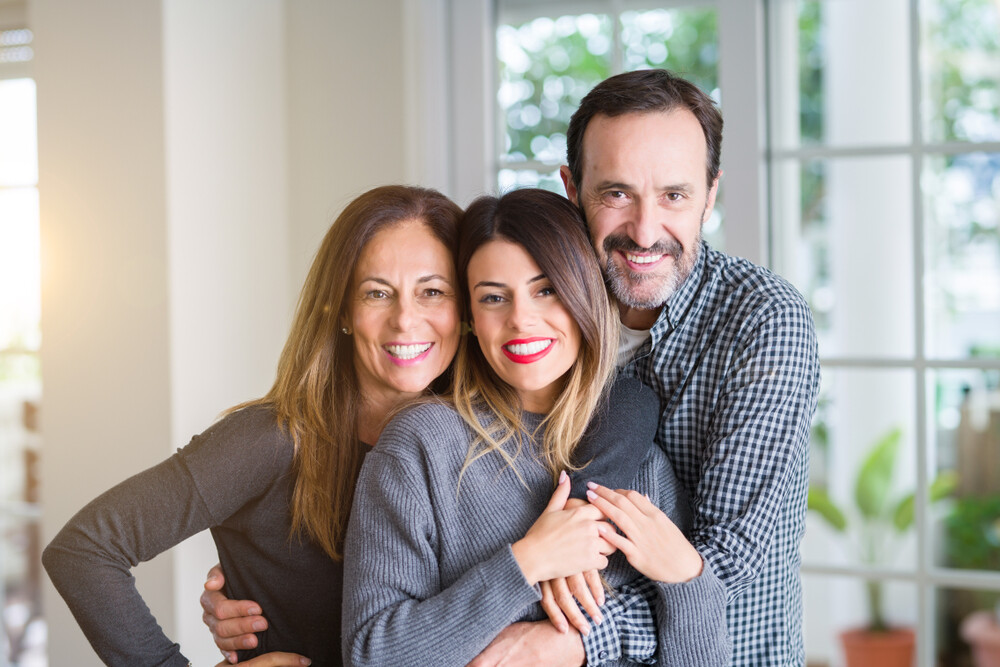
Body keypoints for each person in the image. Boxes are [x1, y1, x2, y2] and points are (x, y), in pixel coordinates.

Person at [42, 185, 465, 666]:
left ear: (465, 309)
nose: (405, 319)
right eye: (377, 292)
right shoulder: (273, 439)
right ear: (343, 310)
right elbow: (85, 549)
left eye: (433, 291)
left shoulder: (486, 443)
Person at [340, 188, 731, 667]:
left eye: (545, 290)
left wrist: (688, 580)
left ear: (582, 294)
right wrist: (525, 563)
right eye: (493, 298)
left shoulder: (643, 467)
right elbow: (371, 655)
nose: (520, 320)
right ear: (470, 320)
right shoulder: (423, 445)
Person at [552, 69, 821, 665]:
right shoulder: (537, 310)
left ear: (710, 193)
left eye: (674, 195)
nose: (645, 231)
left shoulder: (762, 320)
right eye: (616, 193)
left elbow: (727, 563)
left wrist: (567, 639)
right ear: (572, 188)